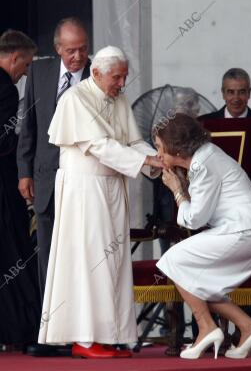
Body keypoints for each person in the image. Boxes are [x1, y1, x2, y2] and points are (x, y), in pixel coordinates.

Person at [38, 46, 163, 359]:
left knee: (113, 262)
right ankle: (84, 338)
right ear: (96, 73)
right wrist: (146, 159)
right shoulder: (75, 99)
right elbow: (100, 146)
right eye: (116, 77)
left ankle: (108, 336)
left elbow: (132, 141)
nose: (121, 84)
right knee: (88, 261)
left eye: (124, 77)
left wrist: (156, 160)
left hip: (112, 188)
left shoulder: (118, 99)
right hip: (85, 191)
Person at [154, 113, 251, 360]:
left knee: (172, 260)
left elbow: (194, 220)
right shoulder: (205, 155)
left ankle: (207, 327)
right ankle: (248, 327)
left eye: (159, 147)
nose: (157, 154)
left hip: (245, 229)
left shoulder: (202, 163)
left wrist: (177, 190)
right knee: (199, 279)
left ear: (176, 147)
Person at [17, 17, 90, 356]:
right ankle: (50, 334)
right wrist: (24, 171)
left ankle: (82, 332)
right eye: (71, 51)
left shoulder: (98, 75)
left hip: (85, 185)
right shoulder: (41, 74)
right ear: (58, 49)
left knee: (80, 258)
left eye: (83, 49)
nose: (78, 57)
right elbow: (28, 126)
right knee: (48, 258)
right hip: (46, 180)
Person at [198, 68, 251, 340]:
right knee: (213, 271)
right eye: (231, 92)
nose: (236, 98)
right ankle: (210, 332)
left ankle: (247, 332)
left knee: (248, 272)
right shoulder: (203, 124)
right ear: (222, 93)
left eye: (242, 91)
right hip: (213, 211)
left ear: (250, 92)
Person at [0, 30, 40, 347]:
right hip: (3, 189)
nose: (24, 73)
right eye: (25, 65)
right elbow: (5, 142)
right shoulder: (5, 89)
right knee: (13, 253)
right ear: (14, 58)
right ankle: (19, 330)